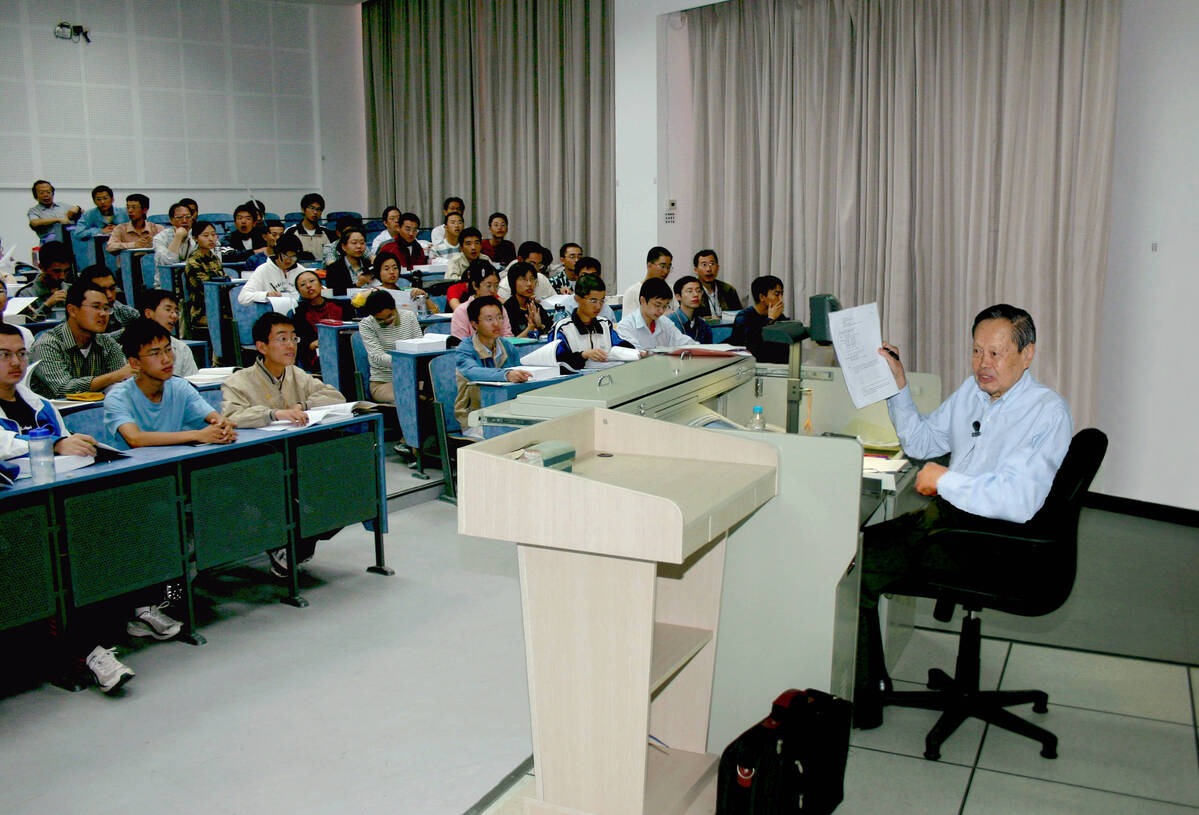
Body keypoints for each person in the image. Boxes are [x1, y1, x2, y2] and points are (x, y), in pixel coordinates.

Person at [853, 304, 1073, 729]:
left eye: (996, 353)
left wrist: (946, 480)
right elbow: (921, 443)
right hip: (949, 522)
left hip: (992, 542)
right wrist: (898, 388)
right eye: (976, 351)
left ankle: (867, 701)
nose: (983, 364)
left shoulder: (1047, 412)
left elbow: (1017, 500)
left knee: (857, 563)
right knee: (859, 547)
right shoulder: (974, 392)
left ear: (1027, 354)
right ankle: (870, 685)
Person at [220, 312, 347, 578]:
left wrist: (303, 405)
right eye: (282, 339)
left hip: (300, 456)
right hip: (260, 462)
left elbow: (334, 396)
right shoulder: (238, 381)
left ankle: (295, 547)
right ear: (261, 346)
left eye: (293, 338)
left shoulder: (296, 374)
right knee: (289, 500)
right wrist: (273, 414)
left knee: (341, 492)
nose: (291, 345)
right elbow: (232, 416)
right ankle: (286, 547)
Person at [104, 318, 235, 451]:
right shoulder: (117, 397)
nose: (166, 359)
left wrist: (223, 427)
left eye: (168, 350)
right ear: (135, 363)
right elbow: (135, 439)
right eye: (155, 353)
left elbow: (214, 418)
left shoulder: (180, 387)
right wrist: (197, 435)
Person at [29, 283, 132, 398]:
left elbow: (124, 381)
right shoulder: (47, 344)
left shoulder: (107, 343)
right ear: (72, 310)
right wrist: (114, 376)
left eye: (106, 308)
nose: (103, 314)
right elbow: (63, 389)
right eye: (96, 307)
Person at [453, 296, 532, 438]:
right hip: (475, 418)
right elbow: (471, 371)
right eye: (489, 319)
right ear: (474, 324)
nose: (496, 324)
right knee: (506, 438)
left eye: (499, 317)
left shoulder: (507, 346)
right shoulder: (465, 348)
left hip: (507, 413)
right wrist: (506, 375)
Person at [549, 274, 635, 372]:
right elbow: (558, 361)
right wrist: (584, 355)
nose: (598, 306)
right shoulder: (563, 329)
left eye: (602, 301)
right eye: (593, 301)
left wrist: (635, 353)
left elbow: (620, 345)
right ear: (577, 299)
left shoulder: (605, 324)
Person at [358, 290, 422, 404]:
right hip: (384, 382)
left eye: (389, 316)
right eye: (379, 319)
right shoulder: (366, 324)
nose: (386, 321)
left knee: (436, 393)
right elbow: (377, 356)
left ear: (394, 308)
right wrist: (406, 362)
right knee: (408, 398)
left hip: (412, 377)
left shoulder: (409, 316)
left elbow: (419, 345)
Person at [292, 269, 350, 373]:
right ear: (299, 291)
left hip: (344, 350)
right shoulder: (299, 314)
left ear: (320, 284)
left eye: (312, 281)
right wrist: (311, 344)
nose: (308, 286)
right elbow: (300, 342)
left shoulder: (341, 306)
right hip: (317, 356)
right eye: (302, 284)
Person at [617, 277, 698, 351]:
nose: (661, 311)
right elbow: (635, 353)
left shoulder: (665, 323)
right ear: (642, 300)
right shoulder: (626, 326)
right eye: (657, 305)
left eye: (665, 306)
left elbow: (684, 342)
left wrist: (701, 348)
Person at [137, 289, 199, 378]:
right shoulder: (131, 345)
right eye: (168, 309)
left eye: (176, 311)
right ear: (148, 313)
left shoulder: (181, 348)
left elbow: (192, 382)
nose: (174, 316)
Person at [729, 275, 788, 363]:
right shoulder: (745, 317)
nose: (781, 299)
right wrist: (770, 319)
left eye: (782, 294)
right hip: (750, 364)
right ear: (762, 297)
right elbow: (753, 345)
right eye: (777, 294)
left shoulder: (779, 317)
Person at [450, 262, 514, 340]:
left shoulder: (500, 308)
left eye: (496, 286)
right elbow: (460, 342)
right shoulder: (461, 311)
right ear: (475, 285)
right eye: (488, 286)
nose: (493, 290)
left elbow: (507, 336)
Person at [183, 221, 226, 333]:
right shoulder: (193, 261)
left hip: (220, 305)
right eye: (206, 235)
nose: (211, 239)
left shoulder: (215, 258)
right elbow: (203, 288)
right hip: (202, 309)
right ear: (195, 238)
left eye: (213, 234)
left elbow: (223, 279)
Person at [237, 233, 304, 304]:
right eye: (285, 256)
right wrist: (266, 295)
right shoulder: (263, 270)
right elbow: (243, 297)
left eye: (293, 257)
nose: (288, 260)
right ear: (277, 252)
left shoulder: (301, 271)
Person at [16, 240, 72, 321]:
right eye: (57, 271)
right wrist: (46, 305)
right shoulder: (26, 294)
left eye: (66, 271)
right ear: (41, 267)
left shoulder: (73, 290)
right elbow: (26, 325)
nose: (62, 276)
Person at [76, 264, 140, 335]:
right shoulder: (77, 318)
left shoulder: (128, 314)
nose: (109, 295)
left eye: (112, 288)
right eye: (102, 290)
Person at [503, 262, 551, 338]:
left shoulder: (536, 308)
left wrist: (540, 325)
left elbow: (552, 333)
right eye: (523, 279)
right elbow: (509, 342)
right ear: (513, 282)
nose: (529, 284)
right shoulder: (507, 309)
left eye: (532, 279)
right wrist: (530, 327)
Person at [622, 246, 674, 316]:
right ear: (649, 265)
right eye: (662, 266)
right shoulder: (633, 292)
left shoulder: (670, 289)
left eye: (668, 267)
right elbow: (628, 321)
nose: (666, 271)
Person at [692, 249, 742, 319]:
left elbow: (739, 316)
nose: (709, 269)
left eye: (712, 264)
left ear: (717, 267)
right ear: (696, 270)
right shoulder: (692, 292)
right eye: (704, 265)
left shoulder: (728, 289)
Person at [283, 193, 335, 260]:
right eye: (312, 208)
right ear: (303, 209)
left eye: (318, 209)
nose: (315, 212)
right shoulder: (291, 232)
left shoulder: (328, 233)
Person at [323, 227, 371, 295]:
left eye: (362, 243)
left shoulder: (370, 266)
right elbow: (334, 293)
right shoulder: (334, 268)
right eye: (354, 243)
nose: (359, 246)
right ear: (344, 246)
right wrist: (357, 285)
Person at [667, 275, 714, 344]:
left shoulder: (704, 326)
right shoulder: (669, 322)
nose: (695, 294)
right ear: (678, 297)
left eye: (698, 291)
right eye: (690, 291)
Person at [152, 201, 197, 268]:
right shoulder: (160, 238)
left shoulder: (198, 235)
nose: (184, 221)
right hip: (167, 274)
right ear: (171, 220)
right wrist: (178, 237)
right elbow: (167, 262)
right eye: (179, 217)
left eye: (188, 217)